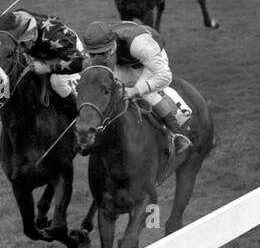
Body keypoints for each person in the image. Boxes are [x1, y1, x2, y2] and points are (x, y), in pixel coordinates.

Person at [78, 19, 195, 153]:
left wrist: (136, 90)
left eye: (104, 54)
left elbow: (164, 76)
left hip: (151, 60)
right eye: (93, 55)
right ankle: (91, 135)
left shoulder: (139, 44)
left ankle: (178, 135)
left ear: (113, 46)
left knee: (146, 93)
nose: (99, 59)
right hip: (125, 61)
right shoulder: (96, 50)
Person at [0, 9, 85, 124]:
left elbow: (79, 62)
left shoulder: (55, 36)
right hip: (40, 50)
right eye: (20, 44)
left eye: (25, 43)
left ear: (34, 34)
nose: (23, 48)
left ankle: (78, 117)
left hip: (64, 53)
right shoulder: (17, 20)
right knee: (10, 71)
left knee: (57, 82)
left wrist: (48, 68)